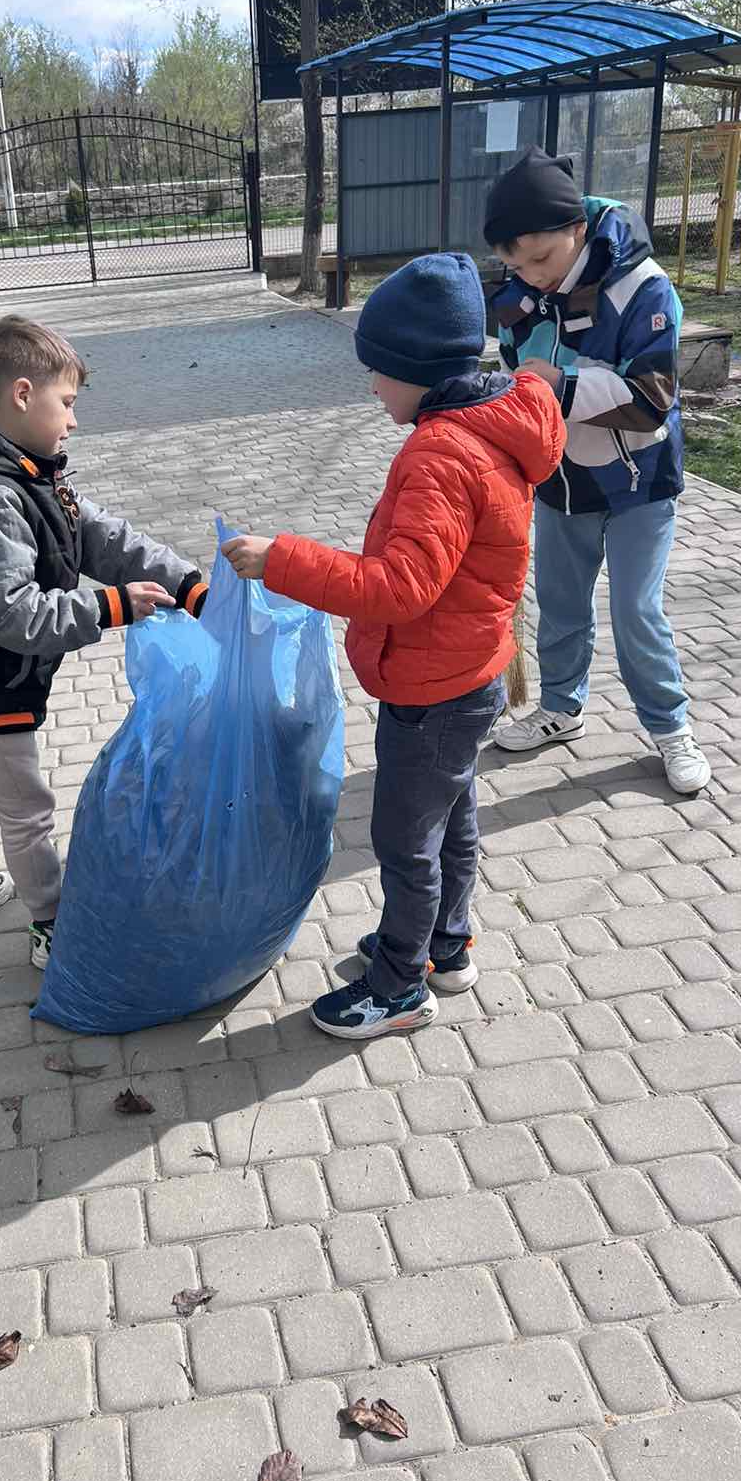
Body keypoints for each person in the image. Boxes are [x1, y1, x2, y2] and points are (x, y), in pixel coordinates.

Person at [222, 254, 564, 1039]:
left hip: (432, 690)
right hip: (468, 671)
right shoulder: (489, 428)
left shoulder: (441, 454)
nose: (373, 387)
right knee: (453, 817)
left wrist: (283, 560)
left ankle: (399, 986)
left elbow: (400, 587)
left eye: (378, 371)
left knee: (405, 842)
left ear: (418, 369)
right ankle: (445, 944)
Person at [0, 314, 208, 963]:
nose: (73, 421)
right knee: (28, 811)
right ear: (22, 394)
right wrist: (112, 606)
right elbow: (14, 616)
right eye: (65, 403)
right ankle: (51, 925)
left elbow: (98, 535)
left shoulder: (24, 471)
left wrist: (186, 584)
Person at [484, 147, 710, 795]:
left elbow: (652, 399)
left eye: (540, 259)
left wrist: (559, 385)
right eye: (515, 266)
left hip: (641, 482)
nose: (531, 276)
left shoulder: (645, 288)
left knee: (636, 611)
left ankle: (670, 727)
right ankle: (561, 708)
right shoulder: (518, 297)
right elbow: (515, 378)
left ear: (577, 228)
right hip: (561, 483)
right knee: (559, 603)